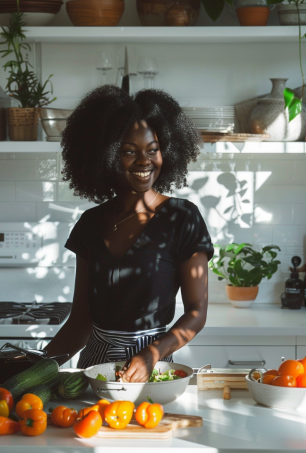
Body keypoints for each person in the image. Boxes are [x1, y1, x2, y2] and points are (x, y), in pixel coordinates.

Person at [44, 85, 214, 382]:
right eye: (128, 151)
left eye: (153, 149)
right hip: (92, 369)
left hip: (152, 365)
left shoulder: (182, 218)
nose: (144, 161)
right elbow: (81, 322)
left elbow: (196, 314)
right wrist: (36, 367)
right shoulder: (90, 223)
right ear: (105, 155)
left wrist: (152, 353)